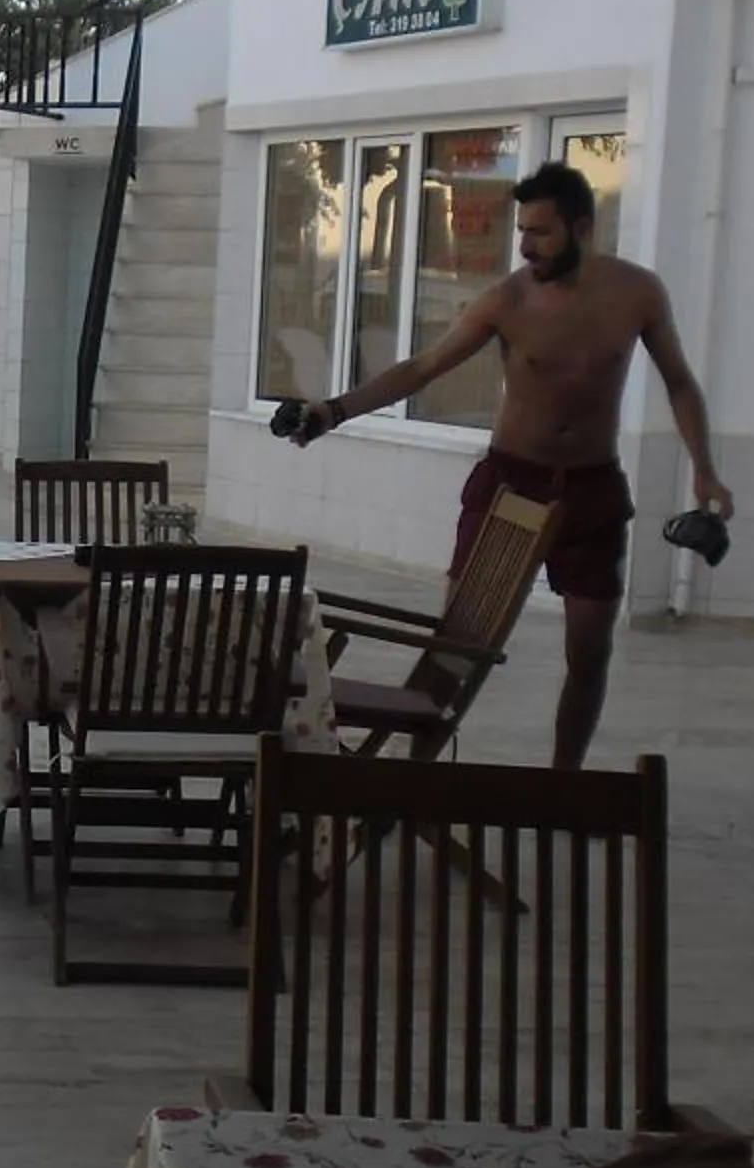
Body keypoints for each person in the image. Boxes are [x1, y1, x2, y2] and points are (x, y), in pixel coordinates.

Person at [289, 161, 730, 769]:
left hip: (591, 490)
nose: (526, 245)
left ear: (582, 227)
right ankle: (409, 777)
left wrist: (704, 469)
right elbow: (424, 367)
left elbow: (680, 382)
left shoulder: (638, 293)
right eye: (522, 230)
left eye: (541, 232)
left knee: (591, 649)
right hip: (509, 483)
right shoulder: (508, 299)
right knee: (459, 646)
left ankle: (562, 784)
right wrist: (333, 411)